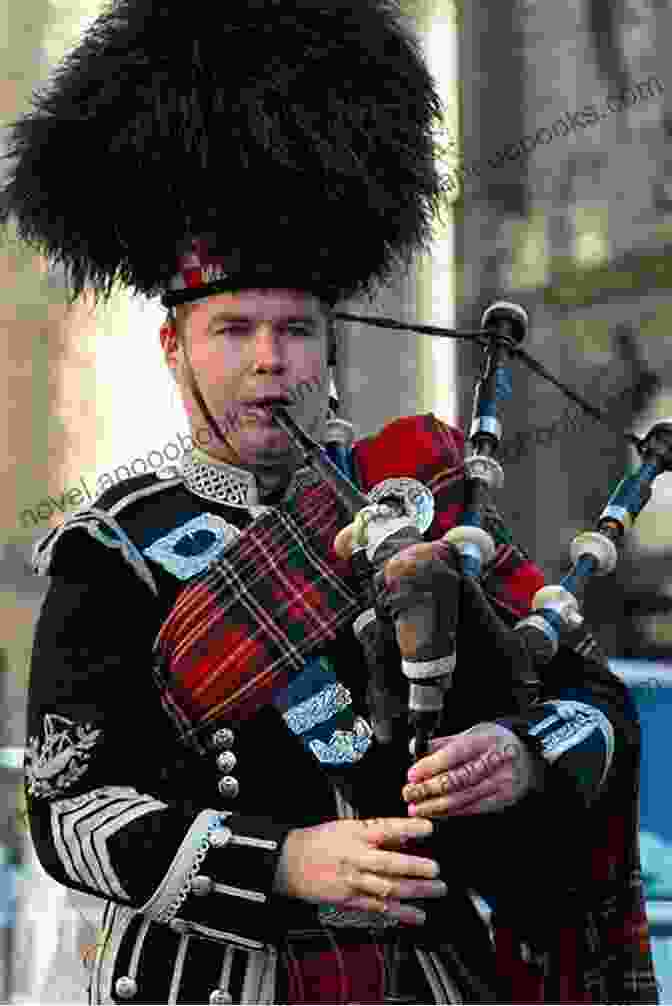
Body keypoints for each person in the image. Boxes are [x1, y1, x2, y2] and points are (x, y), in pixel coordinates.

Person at [2, 0, 658, 1002]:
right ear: (175, 348)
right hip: (216, 979)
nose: (270, 361)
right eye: (233, 330)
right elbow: (68, 812)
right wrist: (282, 857)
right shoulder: (117, 551)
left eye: (296, 330)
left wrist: (520, 756)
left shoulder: (427, 510)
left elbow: (593, 700)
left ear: (329, 347)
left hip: (426, 978)